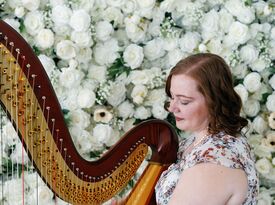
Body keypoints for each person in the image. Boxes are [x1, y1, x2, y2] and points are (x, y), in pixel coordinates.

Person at [112, 53, 259, 205]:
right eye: (172, 97)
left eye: (184, 101)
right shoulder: (200, 142)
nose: (172, 107)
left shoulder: (212, 164)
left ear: (214, 101)